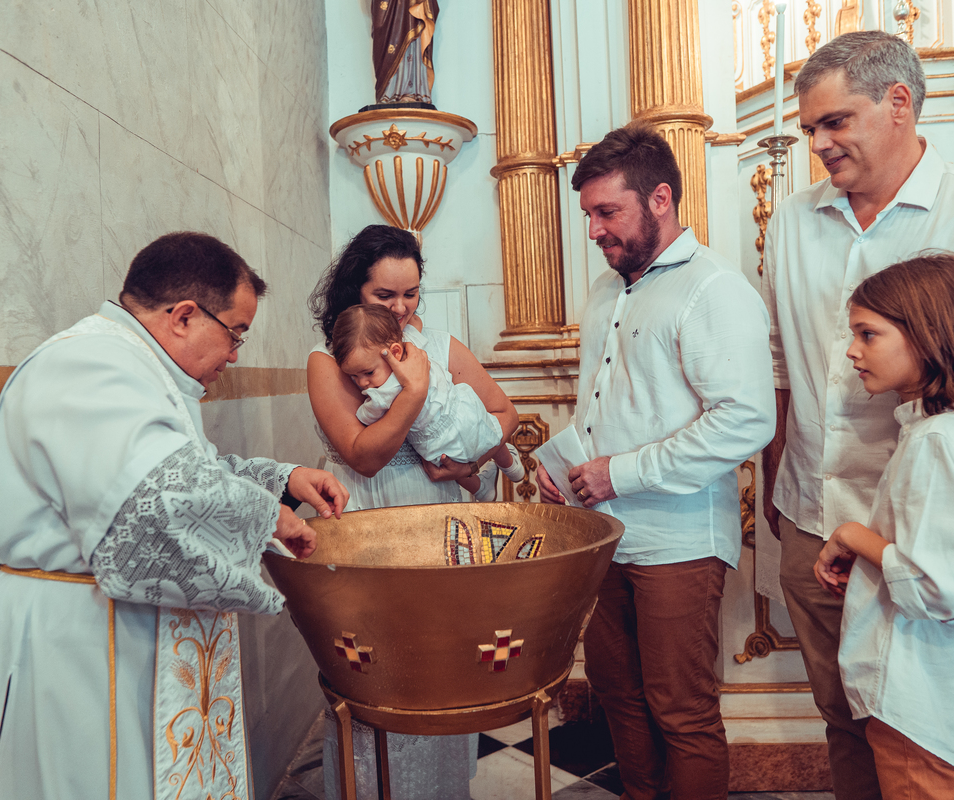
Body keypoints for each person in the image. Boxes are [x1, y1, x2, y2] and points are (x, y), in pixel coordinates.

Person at [761, 30, 954, 800]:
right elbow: (783, 366)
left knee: (934, 735)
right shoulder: (791, 221)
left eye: (835, 122)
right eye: (810, 127)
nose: (818, 144)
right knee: (845, 717)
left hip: (937, 532)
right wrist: (776, 487)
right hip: (813, 517)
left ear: (899, 103)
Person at [0, 231, 349, 800]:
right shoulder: (87, 363)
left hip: (119, 631)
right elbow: (153, 504)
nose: (235, 355)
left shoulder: (138, 368)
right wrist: (267, 517)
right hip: (81, 650)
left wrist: (279, 482)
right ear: (185, 316)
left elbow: (189, 470)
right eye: (236, 333)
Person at [537, 123, 777, 800]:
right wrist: (562, 465)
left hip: (680, 540)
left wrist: (619, 473)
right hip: (606, 533)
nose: (594, 230)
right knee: (617, 692)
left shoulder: (713, 288)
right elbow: (605, 406)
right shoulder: (605, 291)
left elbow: (747, 419)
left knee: (681, 709)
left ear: (661, 199)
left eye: (607, 212)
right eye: (588, 214)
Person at [306, 224, 518, 800]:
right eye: (384, 295)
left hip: (440, 522)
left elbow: (504, 413)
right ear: (355, 289)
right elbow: (363, 454)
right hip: (366, 527)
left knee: (440, 666)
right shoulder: (331, 360)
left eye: (411, 293)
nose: (401, 308)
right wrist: (415, 393)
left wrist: (466, 460)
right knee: (375, 672)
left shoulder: (440, 346)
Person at [813, 255, 954, 800]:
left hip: (924, 703)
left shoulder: (937, 440)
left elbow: (940, 588)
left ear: (928, 336)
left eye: (868, 334)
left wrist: (851, 534)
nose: (852, 350)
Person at [332, 303, 524, 499]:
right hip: (461, 411)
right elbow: (415, 325)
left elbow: (367, 416)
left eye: (368, 373)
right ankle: (511, 466)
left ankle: (480, 488)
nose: (362, 382)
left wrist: (360, 409)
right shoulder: (413, 347)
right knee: (489, 431)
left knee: (442, 465)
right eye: (354, 376)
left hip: (437, 441)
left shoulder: (382, 392)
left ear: (394, 352)